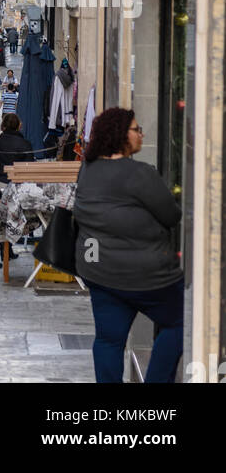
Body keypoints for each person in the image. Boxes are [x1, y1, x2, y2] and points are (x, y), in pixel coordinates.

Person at [73, 108, 183, 384]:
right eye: (137, 129)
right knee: (182, 322)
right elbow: (171, 215)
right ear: (122, 135)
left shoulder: (88, 169)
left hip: (99, 271)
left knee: (109, 340)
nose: (141, 134)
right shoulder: (141, 173)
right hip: (148, 276)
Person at [0, 112, 33, 215]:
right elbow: (29, 169)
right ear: (19, 126)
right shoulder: (26, 144)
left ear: (3, 125)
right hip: (15, 189)